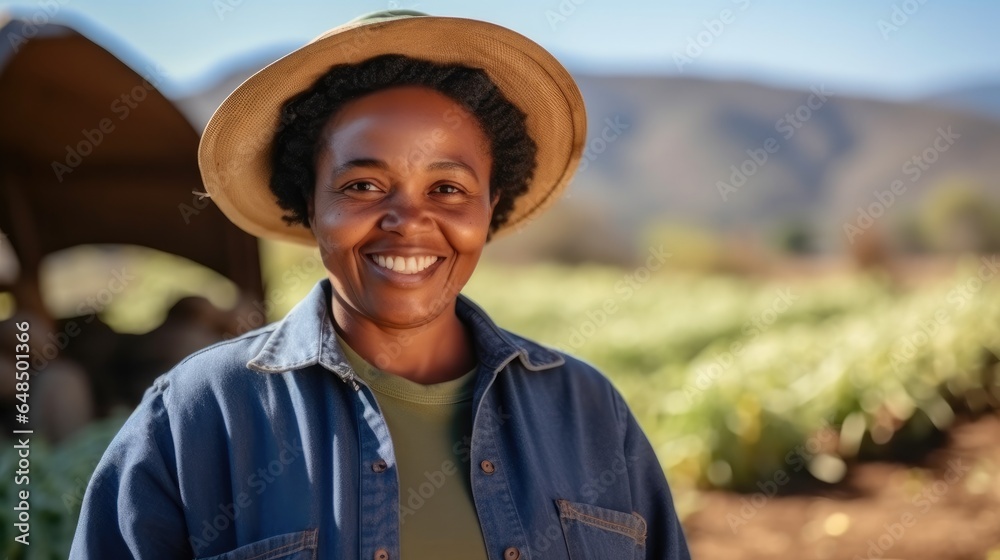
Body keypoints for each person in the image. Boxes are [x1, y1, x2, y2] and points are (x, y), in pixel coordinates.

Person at [70, 10, 691, 560]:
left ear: (488, 209)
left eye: (447, 189)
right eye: (362, 186)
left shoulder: (588, 412)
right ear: (309, 205)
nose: (409, 222)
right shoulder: (197, 416)